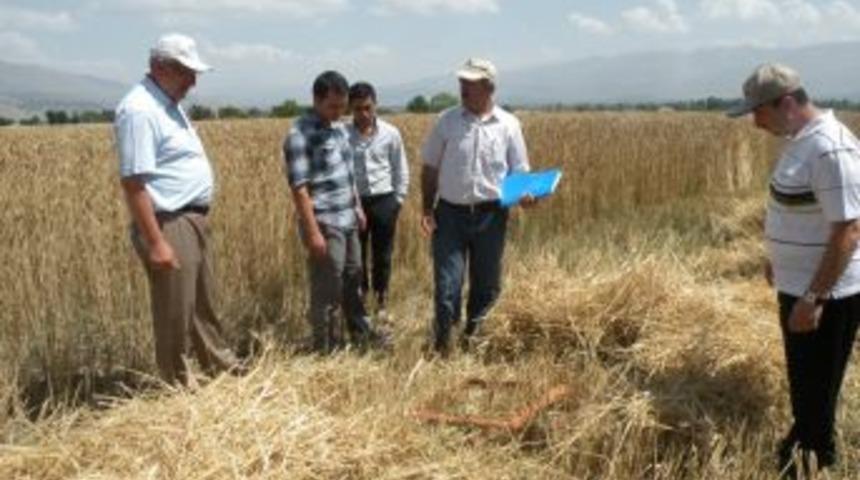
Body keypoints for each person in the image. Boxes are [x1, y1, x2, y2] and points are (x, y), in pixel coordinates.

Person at [728, 63, 860, 475]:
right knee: (806, 388)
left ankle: (815, 461)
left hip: (826, 296)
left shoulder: (830, 148)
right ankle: (802, 450)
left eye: (758, 112)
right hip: (800, 285)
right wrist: (777, 256)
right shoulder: (801, 141)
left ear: (786, 103)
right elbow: (801, 209)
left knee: (815, 393)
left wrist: (813, 297)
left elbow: (849, 229)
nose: (754, 122)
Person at [114, 33, 241, 385]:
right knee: (175, 309)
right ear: (159, 67)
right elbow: (134, 183)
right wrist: (156, 241)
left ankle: (222, 370)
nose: (193, 81)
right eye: (185, 72)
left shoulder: (167, 104)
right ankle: (177, 384)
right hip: (168, 221)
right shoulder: (140, 110)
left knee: (200, 303)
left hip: (189, 219)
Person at [420, 58, 534, 357]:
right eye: (462, 82)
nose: (463, 88)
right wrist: (426, 209)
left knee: (486, 287)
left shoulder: (509, 125)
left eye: (469, 83)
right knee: (447, 287)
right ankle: (443, 348)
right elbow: (430, 167)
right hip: (449, 215)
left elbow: (519, 171)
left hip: (491, 216)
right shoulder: (447, 121)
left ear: (488, 87)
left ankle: (476, 344)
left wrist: (526, 196)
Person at [284, 71, 383, 353]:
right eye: (333, 106)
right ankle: (327, 346)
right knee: (328, 285)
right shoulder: (299, 135)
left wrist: (358, 208)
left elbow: (348, 174)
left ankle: (360, 335)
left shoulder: (339, 129)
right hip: (325, 221)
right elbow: (300, 189)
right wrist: (313, 232)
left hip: (348, 216)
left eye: (342, 107)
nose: (339, 113)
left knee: (353, 277)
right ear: (316, 99)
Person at [347, 82, 409, 319]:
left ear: (375, 105)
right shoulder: (343, 135)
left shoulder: (391, 133)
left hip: (384, 200)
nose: (363, 114)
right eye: (357, 109)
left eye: (367, 108)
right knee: (356, 257)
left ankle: (381, 301)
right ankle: (361, 300)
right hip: (355, 203)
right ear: (350, 109)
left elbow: (400, 168)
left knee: (382, 255)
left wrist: (398, 200)